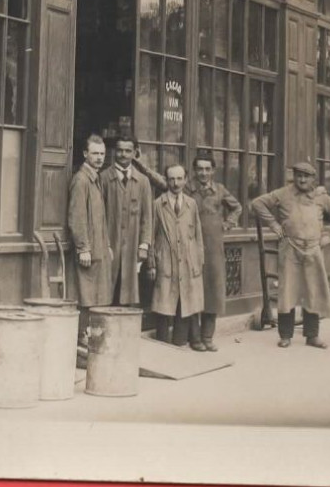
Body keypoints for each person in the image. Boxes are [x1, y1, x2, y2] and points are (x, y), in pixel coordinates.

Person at [252, 162, 330, 350]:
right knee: (287, 291)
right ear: (294, 177)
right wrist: (274, 225)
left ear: (313, 179)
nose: (302, 180)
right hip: (290, 248)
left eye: (306, 176)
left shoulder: (321, 197)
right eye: (298, 175)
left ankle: (312, 335)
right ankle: (285, 335)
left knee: (313, 292)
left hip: (313, 249)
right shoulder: (283, 193)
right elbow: (257, 203)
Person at [186, 152, 242, 351]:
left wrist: (228, 223)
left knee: (212, 291)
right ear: (194, 170)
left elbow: (237, 207)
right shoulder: (187, 188)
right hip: (191, 245)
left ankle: (208, 337)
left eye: (207, 169)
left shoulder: (219, 190)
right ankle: (194, 338)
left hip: (213, 248)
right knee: (193, 291)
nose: (203, 173)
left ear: (213, 171)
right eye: (199, 169)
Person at [148, 164, 205, 347]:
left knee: (186, 301)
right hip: (165, 258)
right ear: (166, 180)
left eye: (180, 179)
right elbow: (150, 235)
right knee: (164, 301)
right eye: (172, 179)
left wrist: (199, 260)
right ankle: (162, 343)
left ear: (185, 180)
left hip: (188, 259)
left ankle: (180, 341)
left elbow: (197, 234)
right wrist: (151, 263)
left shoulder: (191, 204)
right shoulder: (158, 204)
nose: (176, 183)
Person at [67, 134, 112, 344]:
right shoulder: (81, 180)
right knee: (85, 295)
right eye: (95, 153)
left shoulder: (95, 178)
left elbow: (100, 219)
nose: (99, 157)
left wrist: (107, 245)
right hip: (88, 250)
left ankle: (89, 338)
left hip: (98, 248)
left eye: (102, 153)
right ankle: (80, 338)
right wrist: (83, 247)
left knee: (95, 295)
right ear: (85, 154)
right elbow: (77, 217)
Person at [100, 133, 153, 307]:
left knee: (128, 292)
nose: (123, 155)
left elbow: (147, 217)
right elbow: (99, 215)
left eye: (128, 151)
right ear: (114, 151)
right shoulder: (103, 178)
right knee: (107, 290)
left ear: (135, 152)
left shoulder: (143, 181)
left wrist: (144, 245)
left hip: (132, 245)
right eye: (120, 150)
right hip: (109, 243)